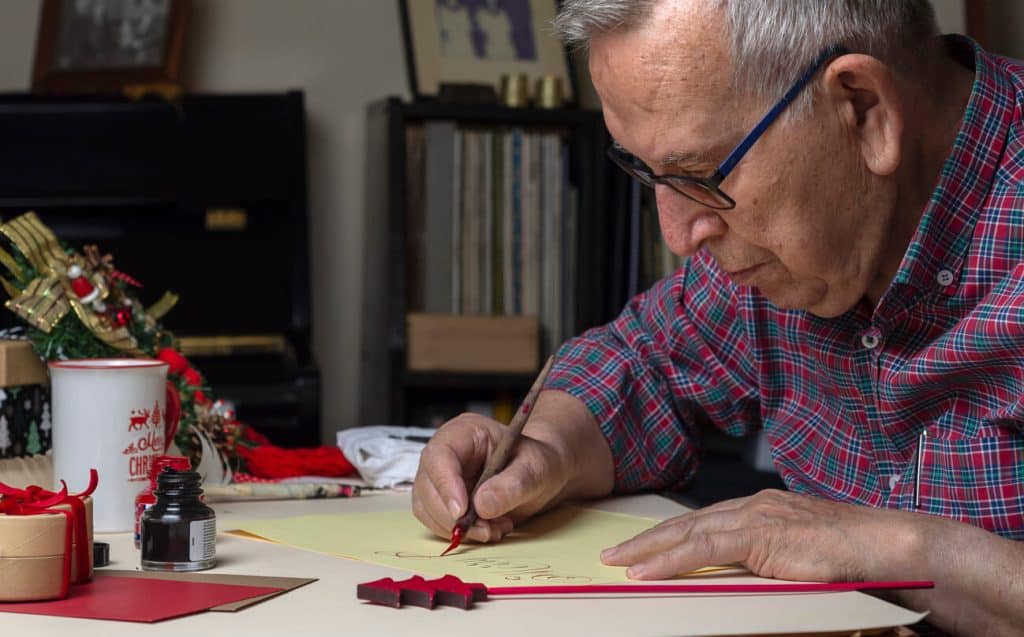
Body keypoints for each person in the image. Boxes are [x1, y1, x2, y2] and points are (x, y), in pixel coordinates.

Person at [412, 1, 1024, 634]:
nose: (678, 234)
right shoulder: (785, 245)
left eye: (701, 175)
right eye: (647, 171)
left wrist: (901, 552)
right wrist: (546, 448)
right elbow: (644, 360)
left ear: (863, 110)